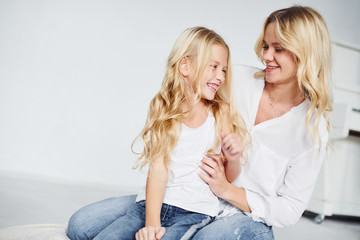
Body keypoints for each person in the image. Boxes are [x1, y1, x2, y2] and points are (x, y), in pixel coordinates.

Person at [67, 5, 332, 240]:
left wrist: (226, 189)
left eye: (279, 49)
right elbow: (187, 98)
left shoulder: (313, 128)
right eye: (265, 46)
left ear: (305, 54)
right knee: (81, 226)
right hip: (182, 193)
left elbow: (288, 211)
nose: (266, 56)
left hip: (234, 213)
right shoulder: (235, 77)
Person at [67, 26, 249, 240]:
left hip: (193, 210)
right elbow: (158, 170)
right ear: (185, 66)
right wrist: (151, 224)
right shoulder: (164, 108)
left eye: (224, 70)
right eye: (214, 67)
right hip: (149, 205)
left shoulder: (221, 112)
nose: (220, 76)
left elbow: (229, 176)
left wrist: (233, 158)